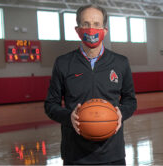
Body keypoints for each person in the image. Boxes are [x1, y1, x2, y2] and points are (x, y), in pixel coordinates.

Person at [44, 4, 137, 165]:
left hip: (112, 153)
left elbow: (131, 100)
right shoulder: (63, 63)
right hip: (75, 154)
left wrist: (121, 113)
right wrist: (68, 117)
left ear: (105, 30)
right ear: (77, 29)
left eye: (96, 24)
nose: (91, 29)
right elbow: (50, 104)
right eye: (85, 24)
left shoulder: (121, 62)